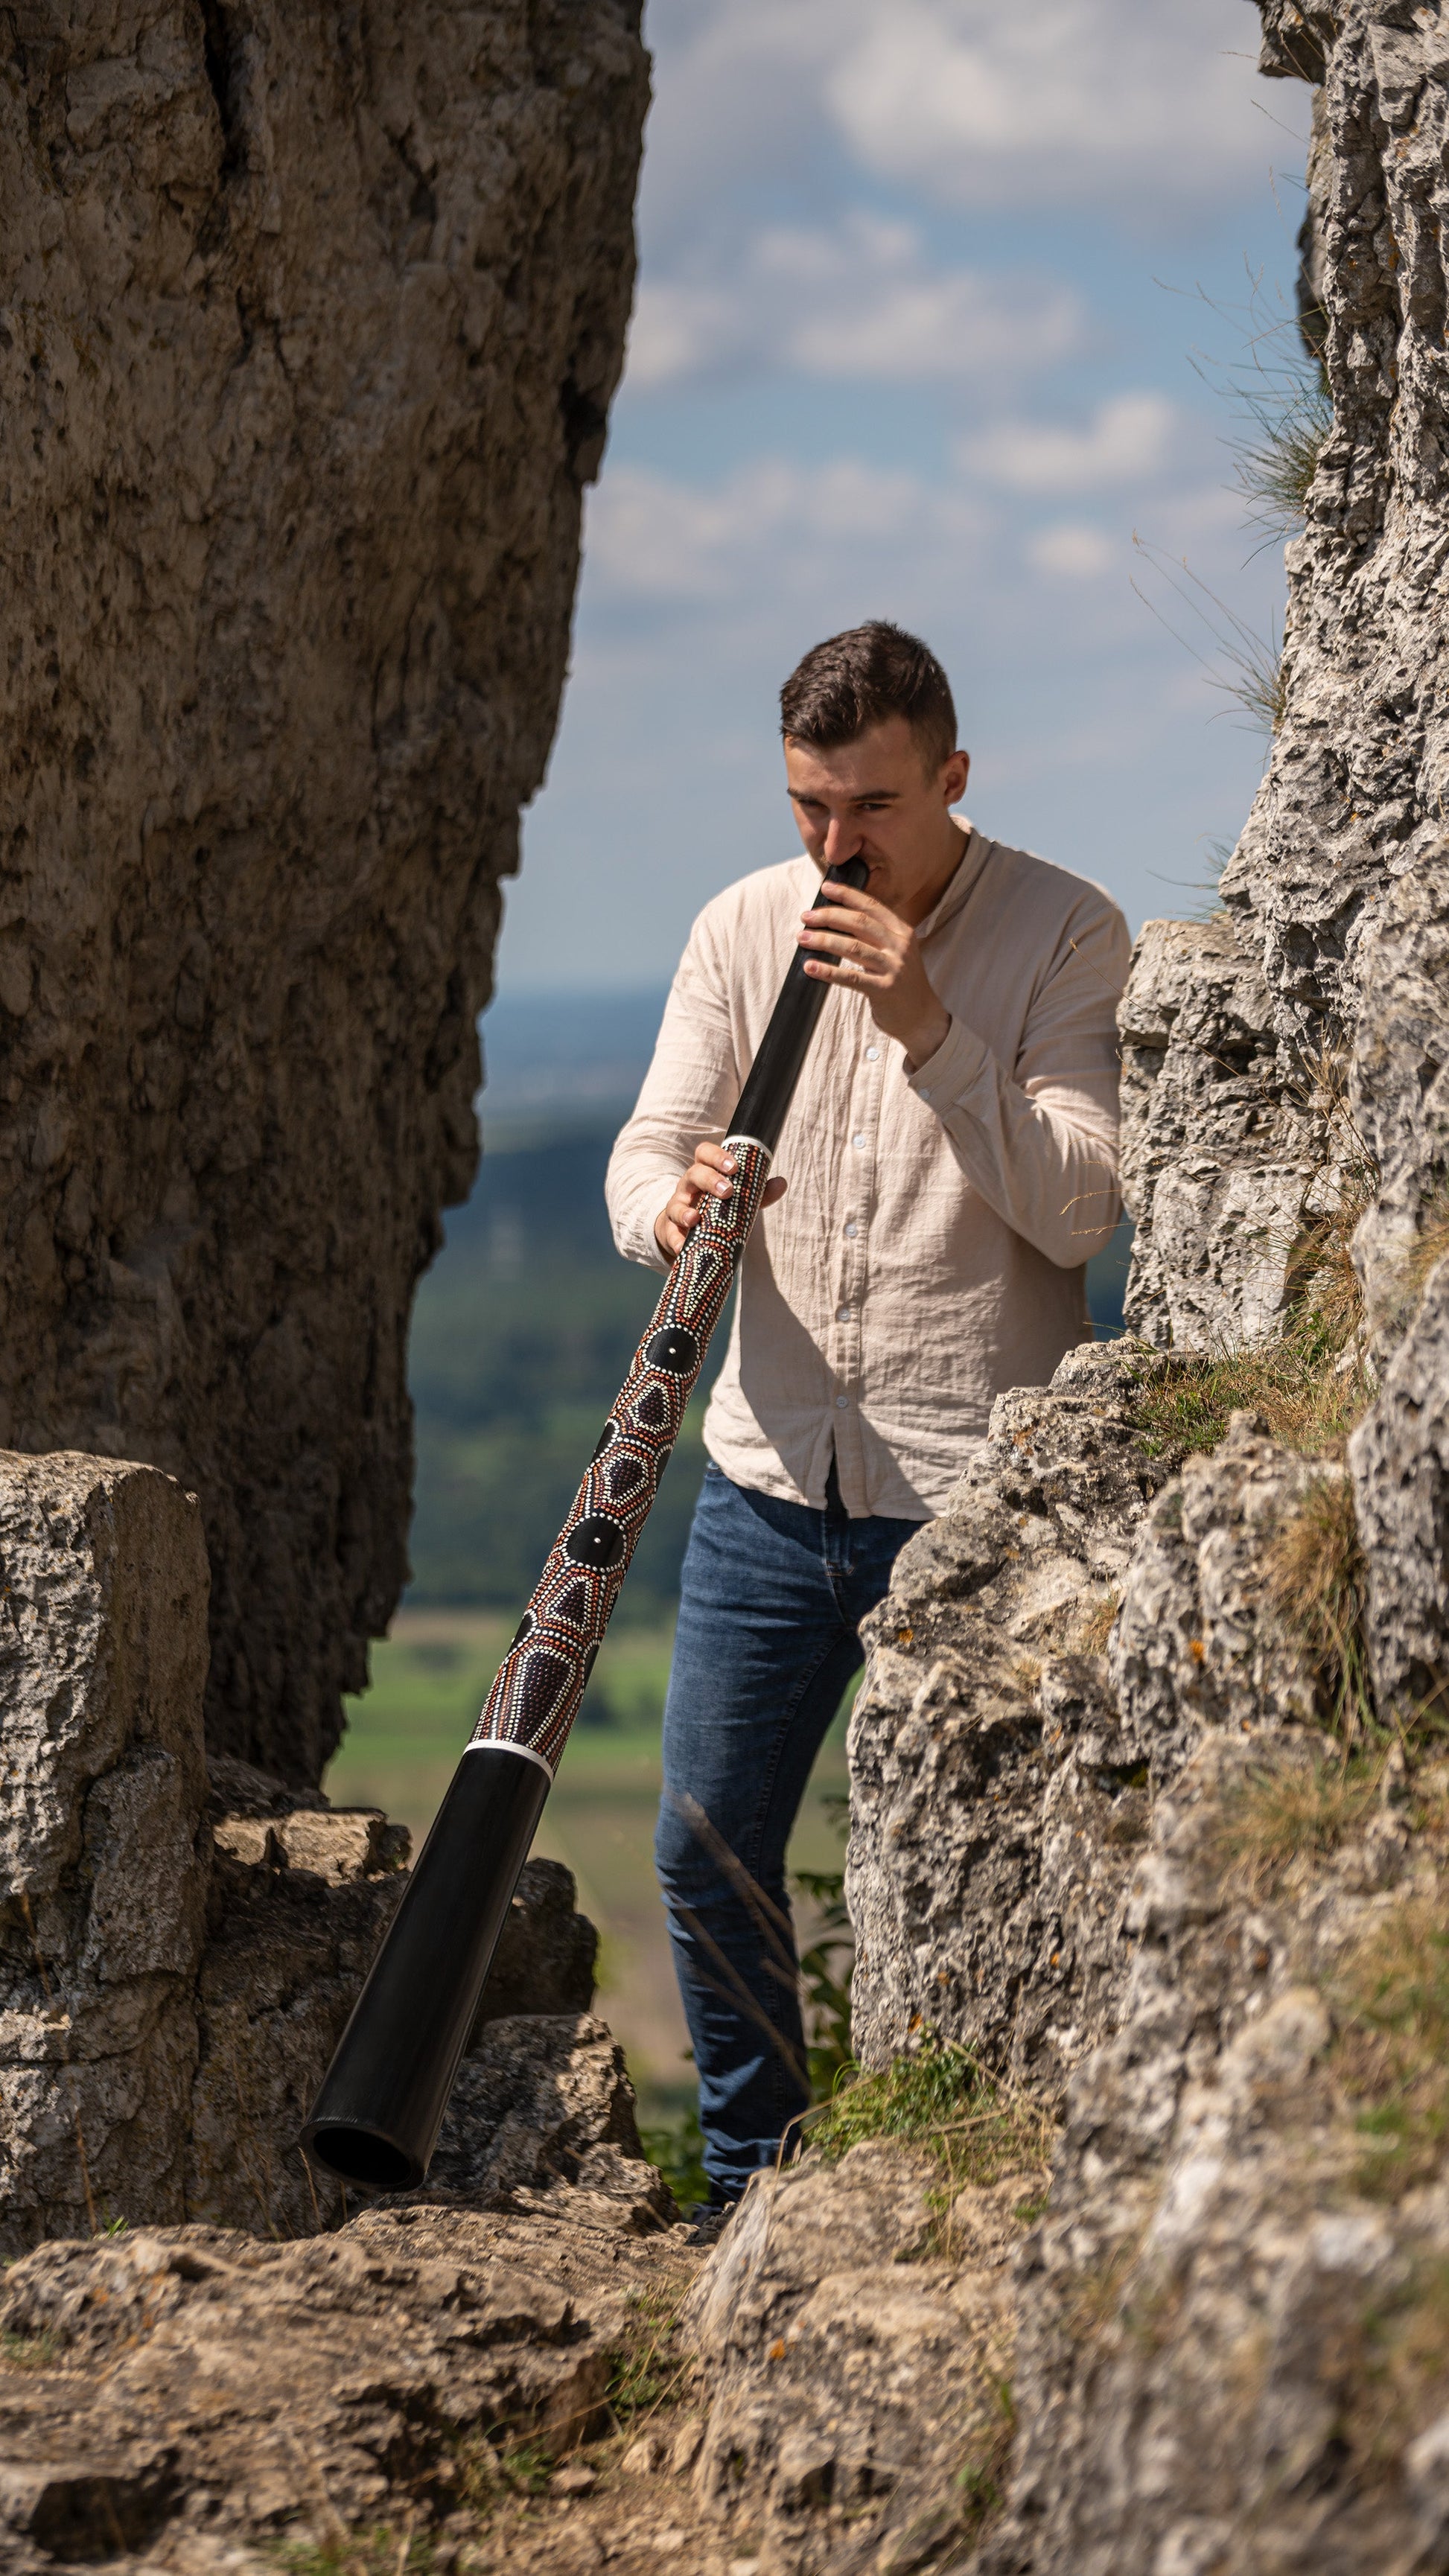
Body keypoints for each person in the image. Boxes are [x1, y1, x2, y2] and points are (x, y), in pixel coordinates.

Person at [605, 620, 1130, 2207]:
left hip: (975, 1502)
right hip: (767, 1482)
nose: (837, 844)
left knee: (969, 1873)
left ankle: (960, 2187)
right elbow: (644, 1151)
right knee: (702, 1849)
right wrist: (667, 1206)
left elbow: (1080, 1211)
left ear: (953, 777)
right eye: (809, 806)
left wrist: (929, 1031)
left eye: (873, 807)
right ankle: (750, 2191)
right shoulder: (739, 924)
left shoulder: (1065, 929)